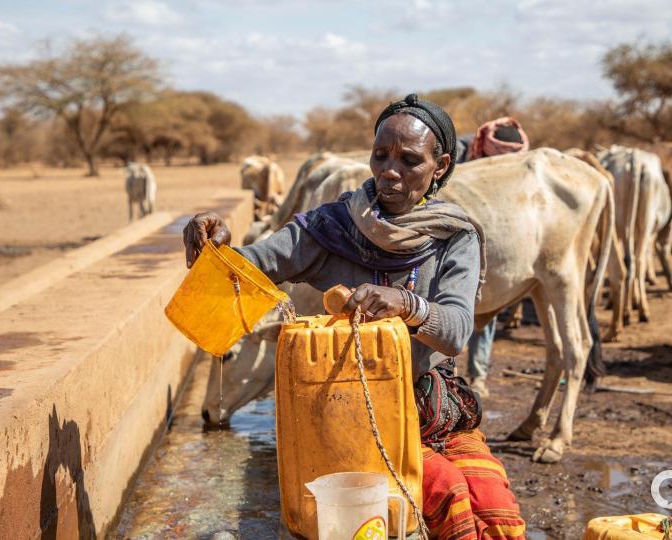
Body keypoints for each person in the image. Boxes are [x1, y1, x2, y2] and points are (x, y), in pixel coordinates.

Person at [183, 94, 525, 540]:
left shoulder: (454, 237)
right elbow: (255, 264)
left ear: (440, 166)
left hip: (434, 410)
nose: (389, 170)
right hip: (356, 416)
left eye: (409, 160)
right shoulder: (332, 227)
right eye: (380, 155)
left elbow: (457, 332)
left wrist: (408, 304)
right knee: (449, 496)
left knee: (499, 514)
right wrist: (218, 246)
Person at [458, 117, 530, 398]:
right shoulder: (461, 153)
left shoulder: (513, 164)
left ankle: (478, 375)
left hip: (493, 239)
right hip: (455, 238)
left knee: (486, 305)